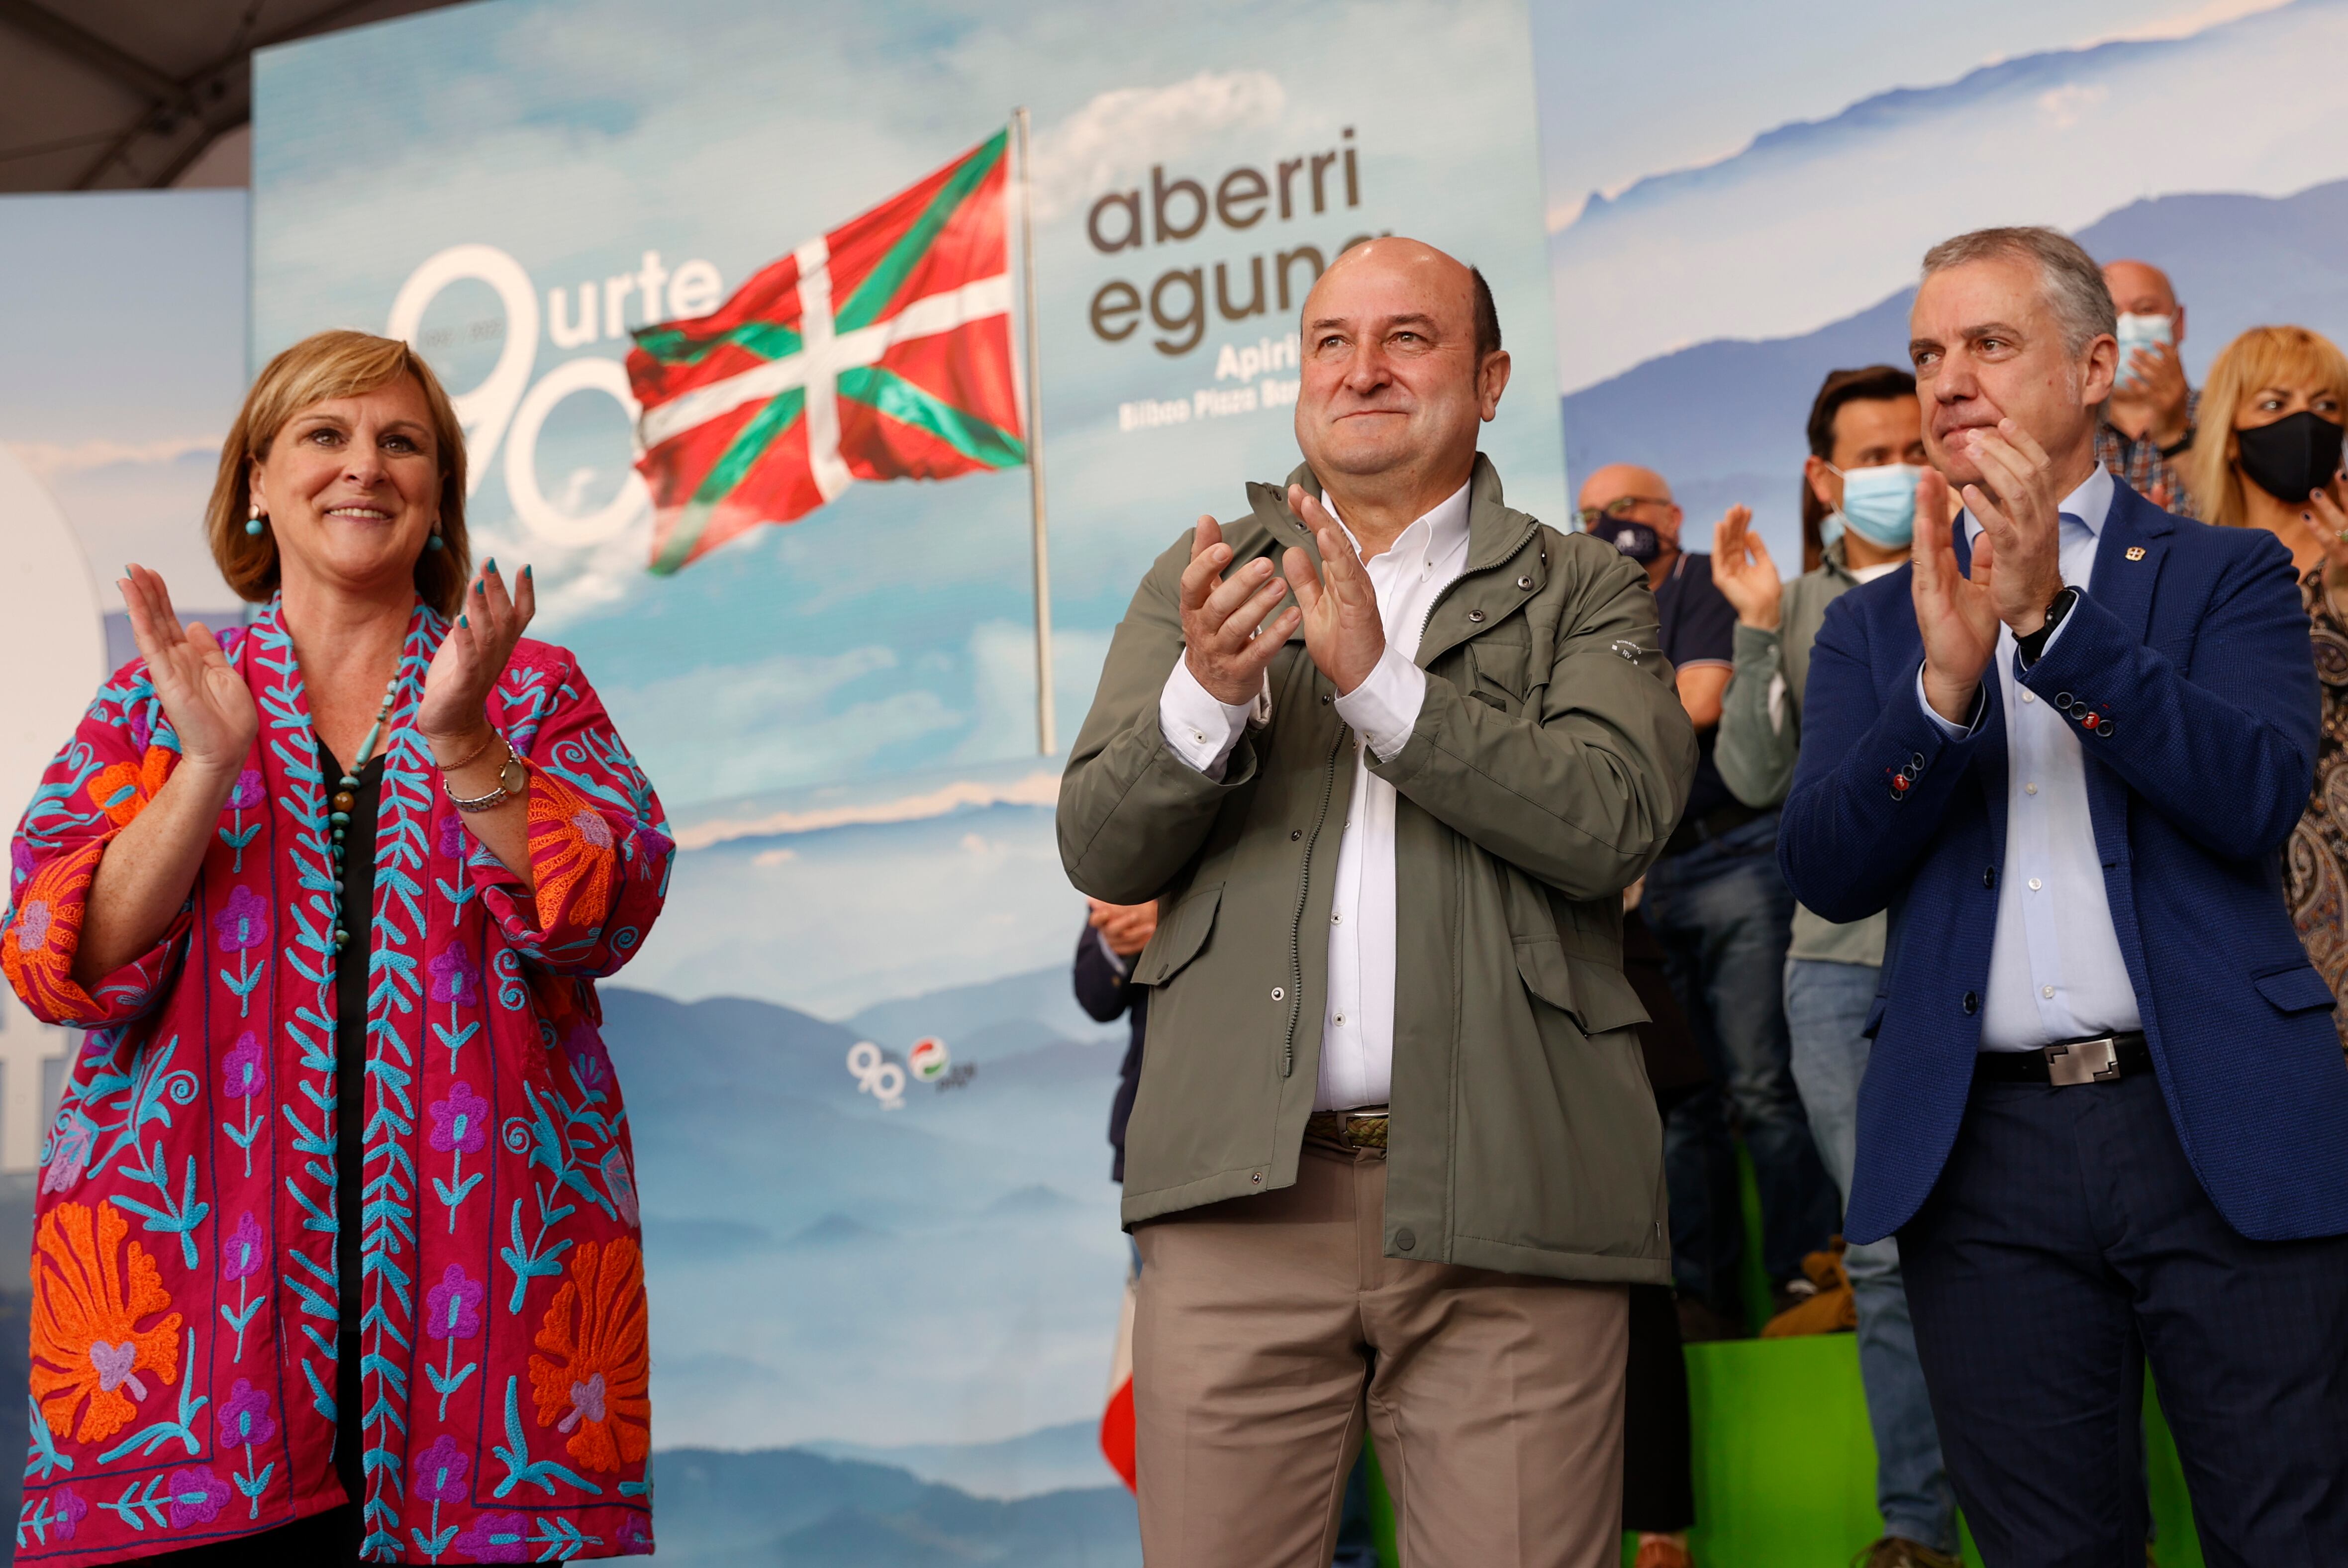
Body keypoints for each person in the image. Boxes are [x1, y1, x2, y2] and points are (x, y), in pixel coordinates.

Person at [1058, 236, 1694, 1567]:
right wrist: (1206, 699)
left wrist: (1378, 687)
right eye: (1329, 341)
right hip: (1238, 1202)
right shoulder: (1208, 583)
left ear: (1491, 376)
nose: (1362, 370)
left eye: (1407, 337)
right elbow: (1102, 849)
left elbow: (1610, 821)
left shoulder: (1586, 587)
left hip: (1519, 1202)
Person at [0, 330, 671, 1563]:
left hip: (490, 1347)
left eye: (400, 442)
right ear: (256, 482)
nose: (364, 466)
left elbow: (606, 906)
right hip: (188, 1345)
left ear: (437, 496)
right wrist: (204, 763)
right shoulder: (152, 698)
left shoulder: (533, 693)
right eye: (325, 435)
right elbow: (59, 955)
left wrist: (468, 742)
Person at [1781, 226, 2348, 1562]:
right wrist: (1940, 694)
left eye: (1990, 343)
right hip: (1983, 1166)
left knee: (2293, 1539)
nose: (1950, 379)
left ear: (2097, 368)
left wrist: (2055, 625)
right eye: (1930, 353)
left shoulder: (2226, 574)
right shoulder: (1875, 624)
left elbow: (2254, 796)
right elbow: (1828, 866)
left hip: (2219, 1127)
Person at [1710, 367, 1958, 1568]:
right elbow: (1755, 779)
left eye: (1915, 444)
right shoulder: (1799, 606)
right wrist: (1755, 623)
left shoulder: (1983, 576)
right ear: (1824, 478)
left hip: (1968, 955)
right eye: (1873, 453)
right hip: (1835, 970)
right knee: (1883, 1250)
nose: (1897, 469)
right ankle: (1916, 1523)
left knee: (2019, 1235)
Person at [1578, 464, 1837, 1342]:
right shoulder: (1590, 608)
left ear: (1668, 516)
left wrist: (1601, 720)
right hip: (1642, 879)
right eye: (1588, 515)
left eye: (1623, 509)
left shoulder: (1700, 584)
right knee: (1676, 1099)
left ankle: (1806, 1274)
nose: (1607, 525)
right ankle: (1701, 1294)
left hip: (1736, 855)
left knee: (1763, 1083)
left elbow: (1699, 701)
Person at [1077, 896, 1381, 1566]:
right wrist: (1125, 941)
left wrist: (1190, 922)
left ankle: (1346, 1555)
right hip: (1177, 1160)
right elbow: (1093, 990)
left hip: (1313, 1146)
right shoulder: (1155, 810)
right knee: (1191, 1419)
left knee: (1326, 1390)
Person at [2183, 324, 2348, 1041]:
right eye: (2275, 404)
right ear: (2228, 432)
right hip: (2238, 893)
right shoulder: (2188, 569)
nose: (2305, 424)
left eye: (2327, 405)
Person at [2096, 259, 2199, 515]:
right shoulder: (2066, 435)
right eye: (2111, 314)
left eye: (2145, 310)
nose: (2128, 326)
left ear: (2179, 323)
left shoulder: (2226, 420)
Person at [1075, 897, 1158, 1180]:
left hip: (1265, 1119)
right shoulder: (1128, 867)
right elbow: (1095, 998)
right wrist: (1119, 939)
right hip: (1152, 1128)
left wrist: (1179, 913)